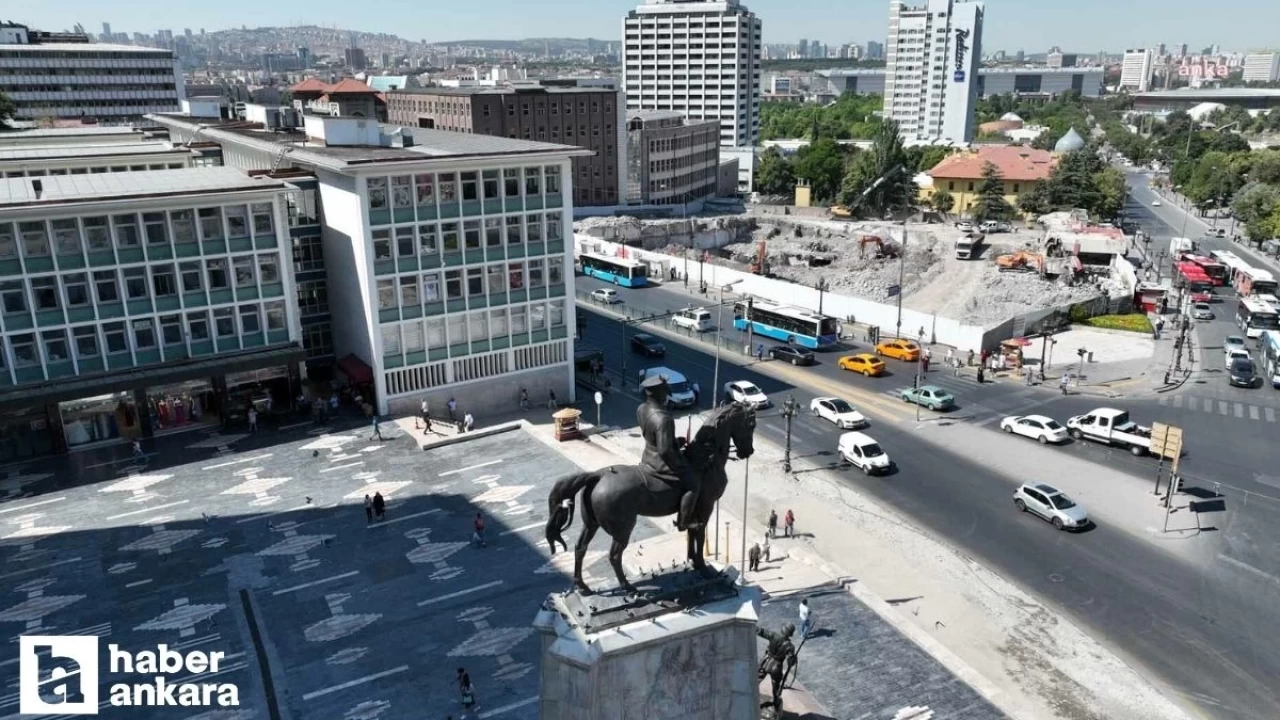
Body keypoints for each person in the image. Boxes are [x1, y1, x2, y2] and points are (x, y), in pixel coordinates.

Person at [637, 375, 698, 531]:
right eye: (664, 391)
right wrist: (680, 464)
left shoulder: (641, 409)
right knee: (693, 484)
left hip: (647, 456)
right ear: (658, 393)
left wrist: (675, 441)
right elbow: (665, 451)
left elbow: (653, 438)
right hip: (660, 463)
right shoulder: (664, 419)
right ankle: (684, 522)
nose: (666, 394)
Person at [757, 623, 798, 714]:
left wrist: (752, 627)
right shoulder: (790, 646)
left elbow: (761, 631)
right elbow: (790, 663)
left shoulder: (773, 635)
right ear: (790, 633)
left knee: (756, 680)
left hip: (765, 662)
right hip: (777, 666)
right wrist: (794, 658)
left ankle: (749, 696)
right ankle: (776, 701)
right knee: (776, 686)